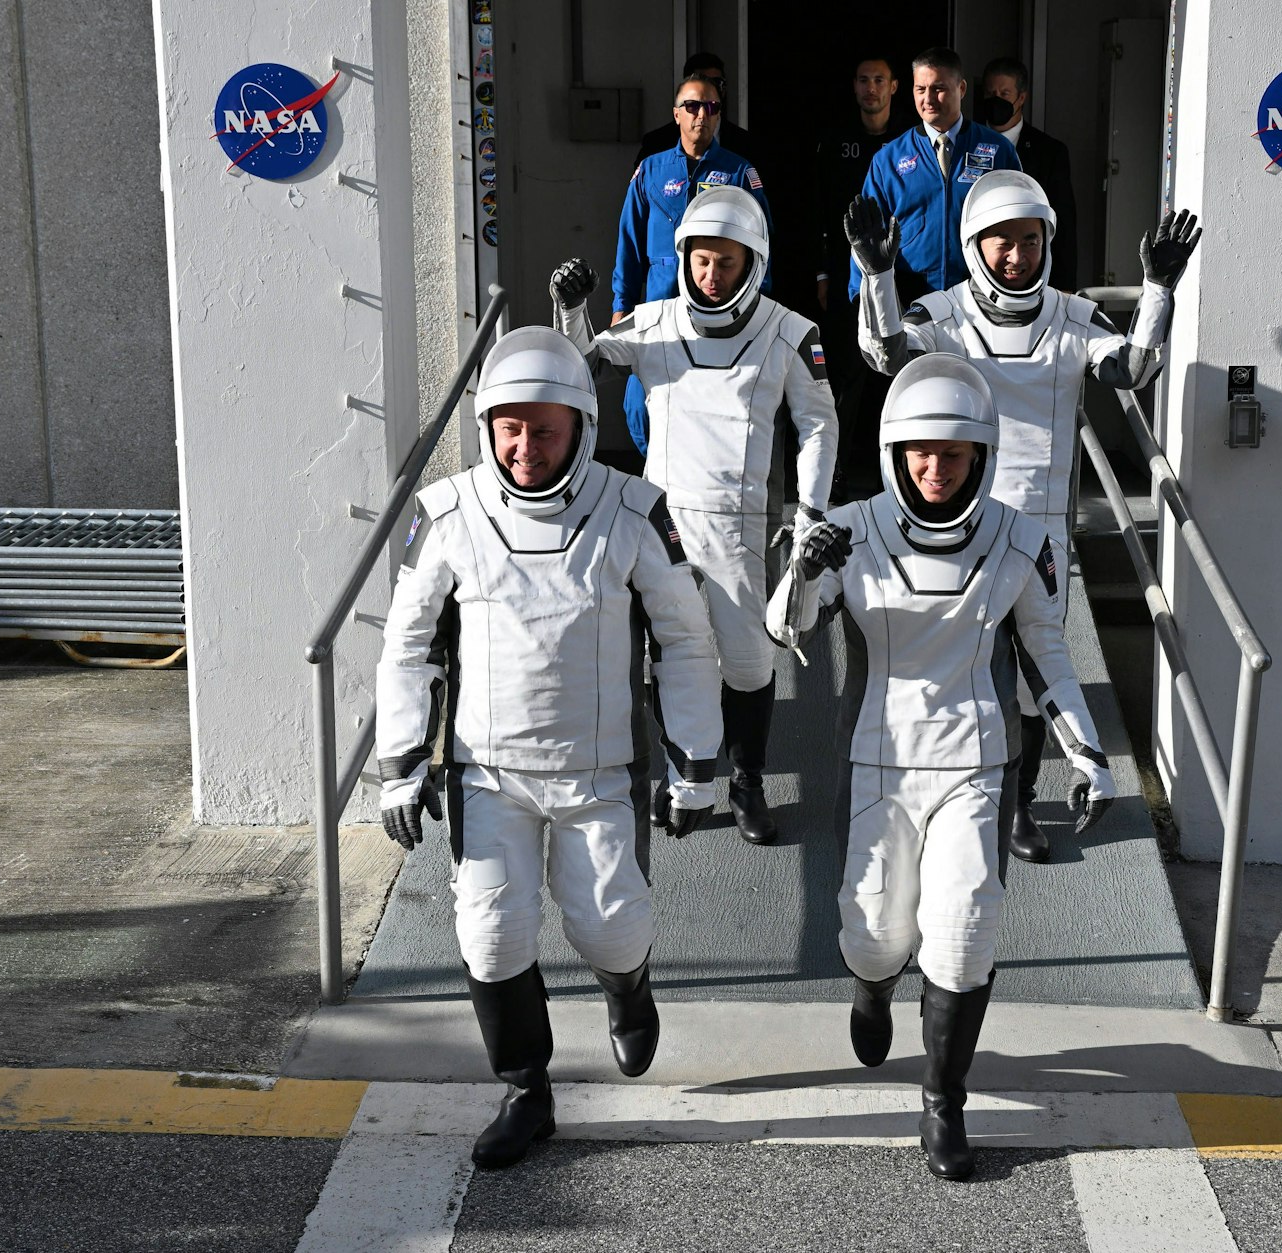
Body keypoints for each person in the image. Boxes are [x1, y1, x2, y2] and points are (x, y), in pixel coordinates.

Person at [376, 327, 724, 1170]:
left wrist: (693, 763)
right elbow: (409, 644)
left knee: (610, 925)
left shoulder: (635, 510)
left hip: (599, 769)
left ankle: (627, 990)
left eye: (546, 429)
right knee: (491, 935)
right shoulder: (449, 513)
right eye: (511, 428)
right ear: (489, 425)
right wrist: (400, 763)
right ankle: (528, 1089)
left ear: (581, 424)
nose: (526, 447)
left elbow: (685, 639)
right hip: (487, 771)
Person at [766, 354, 1114, 1181]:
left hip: (976, 762)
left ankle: (942, 1098)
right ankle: (874, 985)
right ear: (893, 451)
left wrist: (1089, 753)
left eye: (952, 455)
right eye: (920, 452)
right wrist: (803, 569)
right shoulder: (849, 529)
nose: (934, 468)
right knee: (875, 934)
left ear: (982, 455)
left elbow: (1047, 654)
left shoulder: (1021, 539)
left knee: (963, 935)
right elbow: (788, 627)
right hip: (878, 759)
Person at [848, 172, 1200, 862]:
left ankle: (1018, 805)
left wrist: (1158, 289)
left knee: (1037, 679)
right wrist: (877, 275)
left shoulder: (1073, 317)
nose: (1016, 256)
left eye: (1030, 241)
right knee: (955, 666)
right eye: (1001, 242)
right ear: (973, 245)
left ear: (1048, 243)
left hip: (1038, 536)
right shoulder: (942, 313)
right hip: (954, 525)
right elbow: (886, 355)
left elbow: (1130, 368)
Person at [554, 187, 837, 847]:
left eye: (727, 263)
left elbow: (820, 425)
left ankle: (748, 782)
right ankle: (687, 776)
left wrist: (811, 514)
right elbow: (579, 368)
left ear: (753, 263)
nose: (713, 275)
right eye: (703, 261)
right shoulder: (654, 323)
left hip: (741, 526)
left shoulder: (789, 333)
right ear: (685, 258)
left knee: (747, 663)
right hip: (664, 526)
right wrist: (572, 310)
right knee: (675, 658)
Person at [613, 72, 771, 453]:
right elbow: (629, 245)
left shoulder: (739, 171)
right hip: (657, 310)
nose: (702, 114)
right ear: (677, 114)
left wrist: (757, 311)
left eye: (711, 107)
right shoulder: (650, 170)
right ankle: (659, 478)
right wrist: (621, 306)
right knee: (638, 404)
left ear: (719, 116)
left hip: (717, 312)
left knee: (706, 403)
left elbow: (761, 247)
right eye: (693, 106)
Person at [847, 47, 1021, 307]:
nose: (928, 99)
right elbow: (866, 234)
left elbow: (1021, 223)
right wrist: (861, 292)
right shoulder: (889, 159)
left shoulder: (997, 151)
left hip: (981, 298)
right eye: (920, 89)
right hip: (910, 301)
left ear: (961, 88)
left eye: (938, 88)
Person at [813, 55, 904, 499]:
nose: (872, 88)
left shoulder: (908, 145)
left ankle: (896, 474)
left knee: (897, 375)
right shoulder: (835, 143)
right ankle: (836, 473)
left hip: (899, 279)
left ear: (894, 88)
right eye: (864, 80)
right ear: (854, 87)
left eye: (879, 81)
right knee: (847, 377)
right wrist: (825, 271)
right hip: (850, 280)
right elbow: (821, 212)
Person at [977, 57, 1078, 292]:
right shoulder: (968, 143)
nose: (996, 100)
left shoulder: (1050, 152)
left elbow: (1063, 219)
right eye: (991, 93)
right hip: (979, 269)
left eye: (1004, 93)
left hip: (1030, 270)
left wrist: (1065, 286)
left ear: (1021, 98)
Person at [634, 52, 760, 171]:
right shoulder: (656, 145)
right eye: (702, 82)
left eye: (717, 83)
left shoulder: (746, 145)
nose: (710, 89)